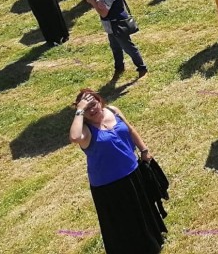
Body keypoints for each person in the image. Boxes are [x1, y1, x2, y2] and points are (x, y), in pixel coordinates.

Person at [70, 89, 167, 253]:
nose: (92, 110)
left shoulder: (113, 111)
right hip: (109, 185)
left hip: (133, 171)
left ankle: (153, 240)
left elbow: (130, 129)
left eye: (93, 104)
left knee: (141, 210)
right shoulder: (86, 132)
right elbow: (74, 136)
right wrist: (80, 109)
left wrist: (144, 151)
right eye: (87, 109)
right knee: (123, 221)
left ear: (100, 101)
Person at [84, 0, 148, 78]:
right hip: (112, 25)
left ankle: (142, 67)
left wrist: (92, 2)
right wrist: (98, 0)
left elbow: (104, 12)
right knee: (115, 48)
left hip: (117, 25)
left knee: (128, 47)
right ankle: (119, 67)